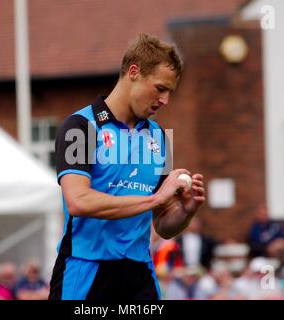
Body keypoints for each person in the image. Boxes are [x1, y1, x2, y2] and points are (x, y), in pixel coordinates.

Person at [49, 33, 206, 300]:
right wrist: (156, 198)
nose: (165, 100)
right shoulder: (81, 127)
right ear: (134, 72)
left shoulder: (159, 137)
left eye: (170, 92)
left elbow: (163, 224)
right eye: (160, 88)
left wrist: (185, 213)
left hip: (139, 273)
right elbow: (79, 201)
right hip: (86, 271)